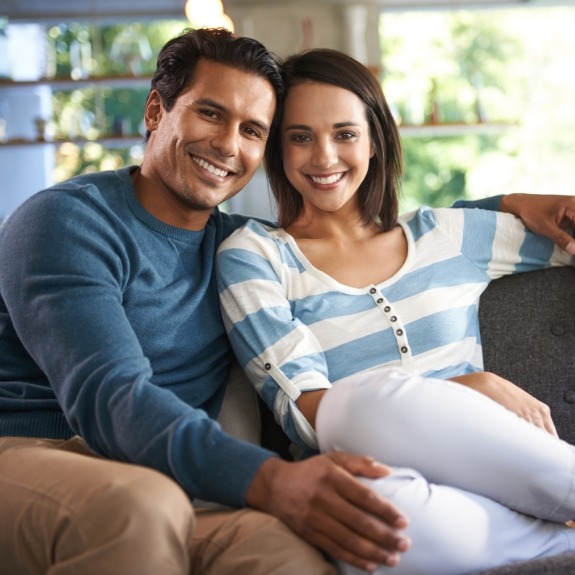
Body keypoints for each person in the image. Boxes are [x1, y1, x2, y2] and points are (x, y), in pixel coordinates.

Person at [0, 27, 573, 575]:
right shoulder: (67, 222)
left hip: (173, 477)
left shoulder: (229, 240)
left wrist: (515, 201)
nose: (228, 145)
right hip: (44, 451)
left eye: (252, 130)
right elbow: (109, 397)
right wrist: (273, 480)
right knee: (144, 508)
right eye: (210, 113)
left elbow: (374, 235)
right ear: (156, 112)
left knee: (294, 554)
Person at [215, 47, 575, 575]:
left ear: (375, 140)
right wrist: (467, 385)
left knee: (360, 402)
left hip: (493, 464)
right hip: (384, 483)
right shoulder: (256, 257)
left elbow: (565, 232)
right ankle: (551, 538)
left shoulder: (445, 235)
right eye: (300, 137)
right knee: (361, 462)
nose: (324, 157)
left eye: (345, 133)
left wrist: (524, 199)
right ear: (277, 148)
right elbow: (308, 411)